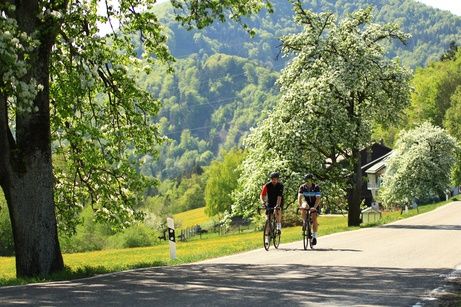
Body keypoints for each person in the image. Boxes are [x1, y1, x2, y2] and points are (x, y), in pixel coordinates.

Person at [298, 173, 321, 245]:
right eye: (306, 180)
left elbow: (318, 198)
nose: (308, 182)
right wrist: (300, 206)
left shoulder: (316, 187)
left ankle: (314, 236)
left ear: (312, 180)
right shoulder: (302, 187)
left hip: (315, 204)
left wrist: (314, 207)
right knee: (304, 207)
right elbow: (299, 197)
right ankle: (304, 222)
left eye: (310, 180)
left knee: (314, 219)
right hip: (306, 203)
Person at [260, 172, 284, 237]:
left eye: (275, 179)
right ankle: (267, 236)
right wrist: (263, 202)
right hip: (270, 202)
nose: (274, 181)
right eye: (272, 179)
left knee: (277, 211)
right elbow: (262, 195)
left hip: (279, 201)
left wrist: (277, 205)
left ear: (278, 179)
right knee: (268, 219)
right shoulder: (267, 185)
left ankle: (278, 226)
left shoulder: (280, 185)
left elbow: (279, 196)